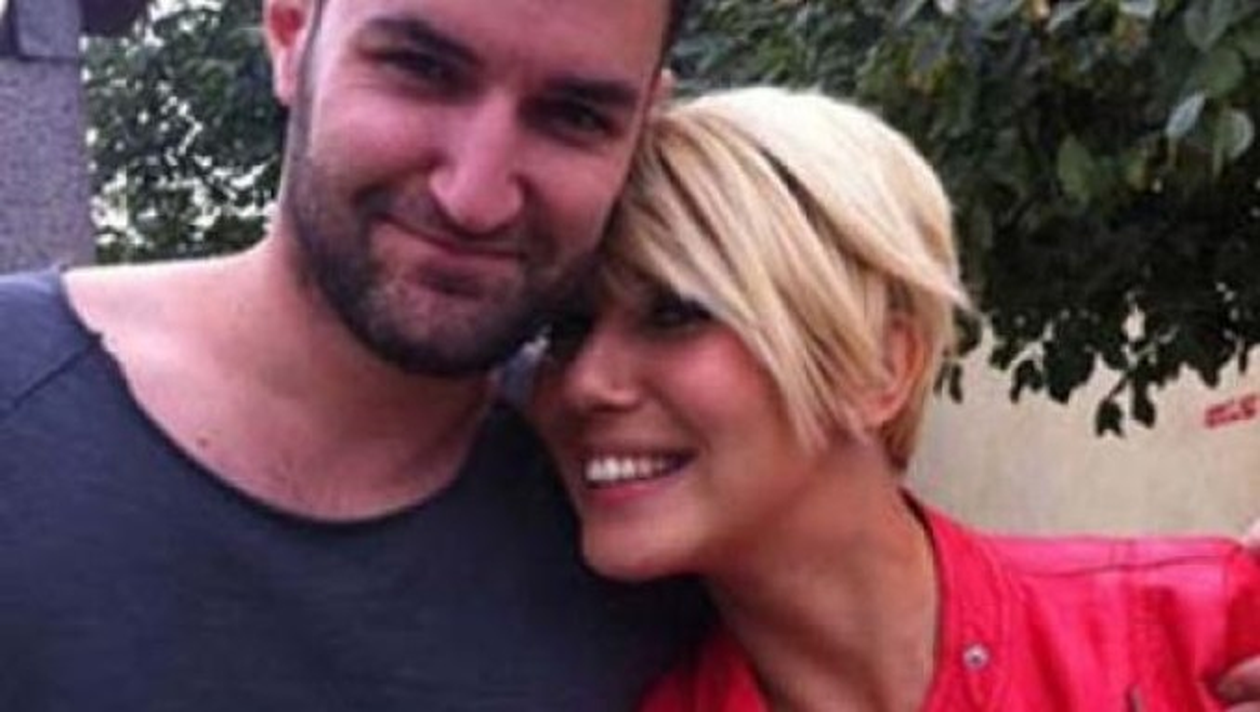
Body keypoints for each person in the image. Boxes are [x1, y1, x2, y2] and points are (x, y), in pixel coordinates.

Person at [0, 0, 708, 709]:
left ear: (642, 123)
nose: (474, 199)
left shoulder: (653, 518)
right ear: (290, 33)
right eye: (421, 69)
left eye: (576, 116)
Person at [530, 86, 1260, 711]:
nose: (585, 383)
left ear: (881, 366)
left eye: (674, 314)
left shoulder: (1194, 634)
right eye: (565, 329)